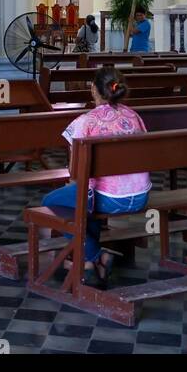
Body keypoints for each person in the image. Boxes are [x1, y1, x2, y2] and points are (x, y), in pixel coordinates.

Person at [40, 67, 151, 284]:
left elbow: (75, 171)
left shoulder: (86, 121)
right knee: (81, 200)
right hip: (140, 195)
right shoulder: (134, 116)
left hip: (110, 199)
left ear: (93, 90)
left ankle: (95, 255)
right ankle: (88, 263)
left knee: (51, 202)